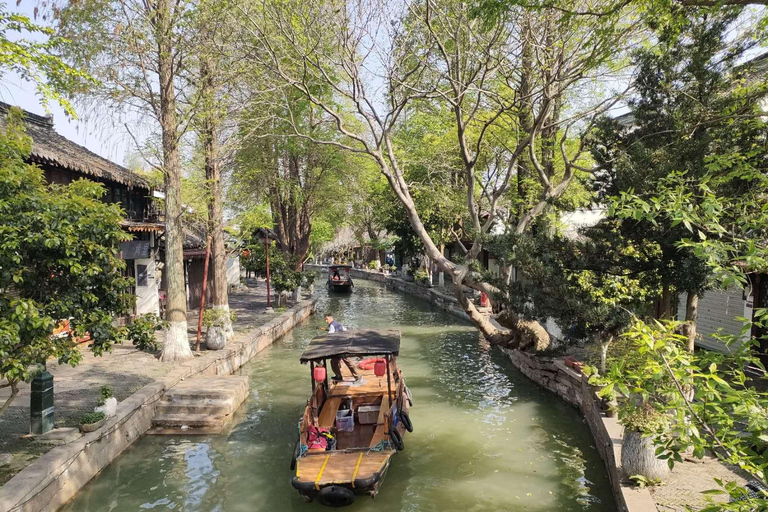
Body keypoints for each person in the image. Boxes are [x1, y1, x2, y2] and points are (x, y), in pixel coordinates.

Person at [324, 314, 360, 382]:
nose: (326, 321)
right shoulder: (338, 324)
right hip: (342, 346)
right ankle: (338, 376)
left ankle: (357, 377)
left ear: (331, 319)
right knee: (334, 362)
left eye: (327, 319)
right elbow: (345, 331)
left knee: (347, 362)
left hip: (339, 348)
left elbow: (330, 336)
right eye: (325, 320)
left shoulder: (332, 326)